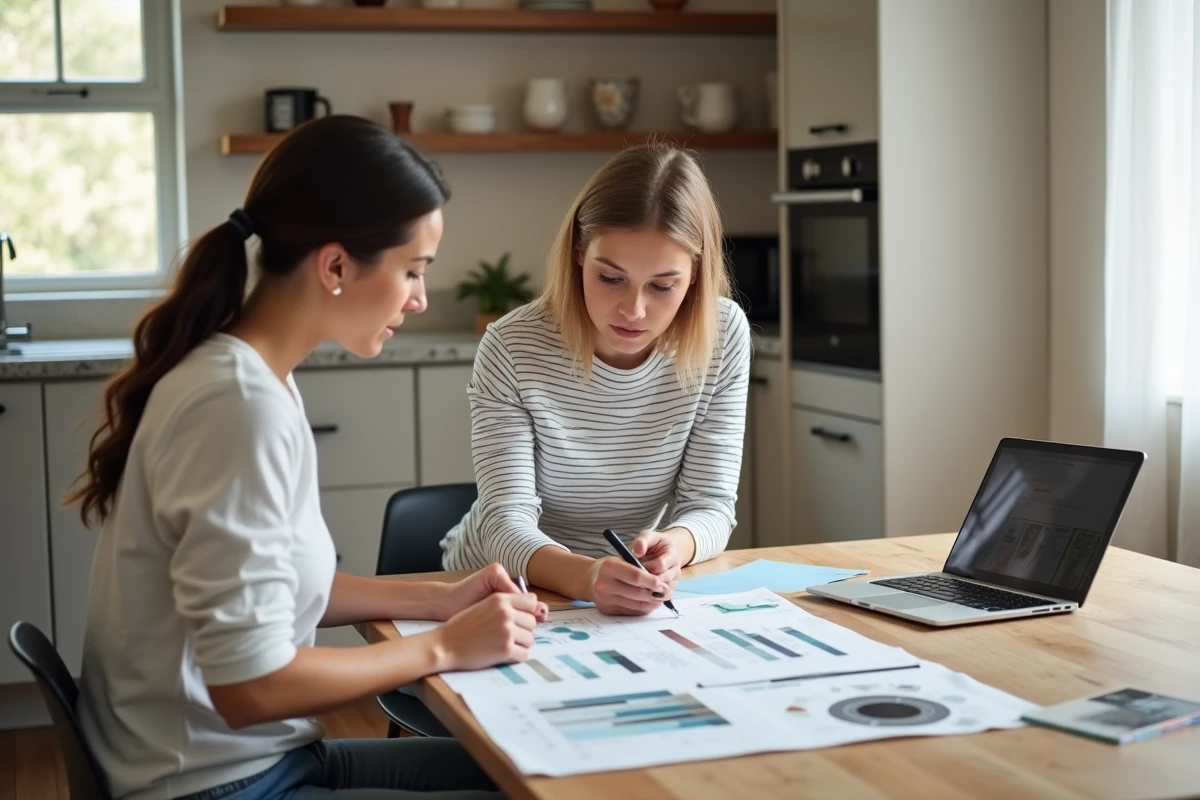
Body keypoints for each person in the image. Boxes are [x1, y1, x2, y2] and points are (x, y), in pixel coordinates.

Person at [68, 115, 546, 800]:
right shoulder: (239, 406)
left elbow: (278, 584)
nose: (418, 298)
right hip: (214, 785)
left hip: (259, 764)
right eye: (412, 271)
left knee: (537, 778)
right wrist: (443, 647)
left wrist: (443, 598)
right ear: (335, 265)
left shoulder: (257, 377)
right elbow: (249, 686)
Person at [440, 141, 752, 616]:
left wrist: (677, 545)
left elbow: (710, 504)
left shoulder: (723, 334)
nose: (634, 309)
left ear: (695, 275)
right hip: (494, 584)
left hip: (620, 588)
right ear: (580, 254)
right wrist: (586, 576)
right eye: (611, 278)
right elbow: (504, 522)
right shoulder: (512, 346)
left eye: (662, 286)